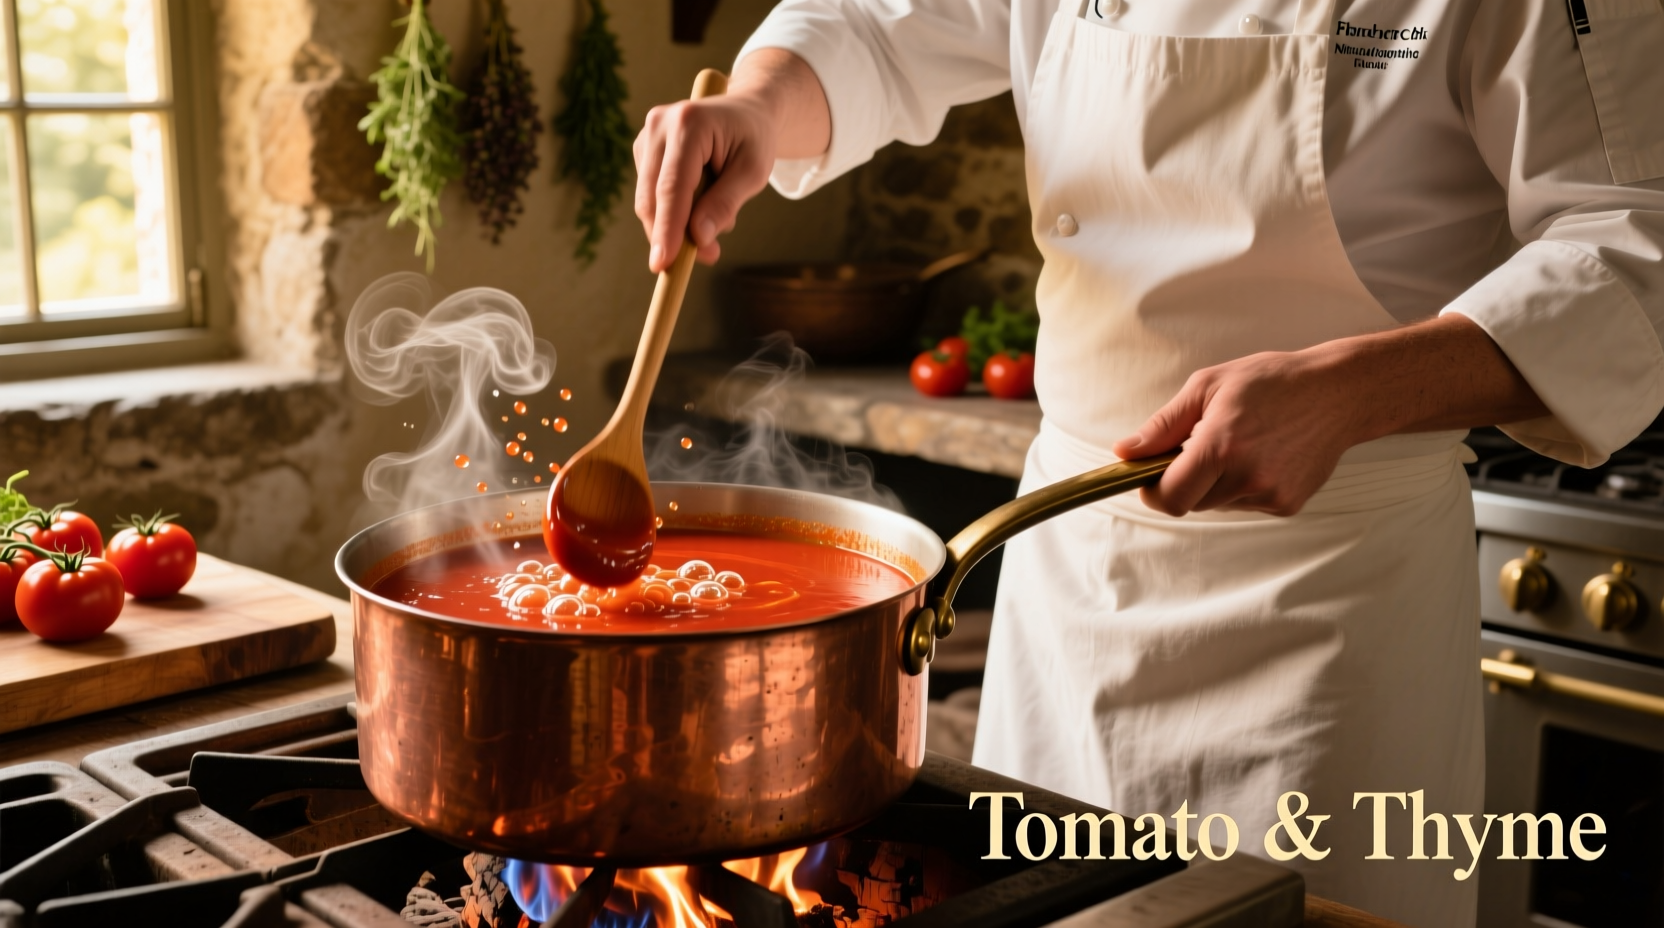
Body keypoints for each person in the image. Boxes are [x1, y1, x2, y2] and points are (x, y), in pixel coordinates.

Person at [631, 1, 1664, 922]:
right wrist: (760, 107)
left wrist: (1350, 390)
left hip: (1333, 600)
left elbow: (1632, 248)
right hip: (1071, 573)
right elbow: (874, 26)